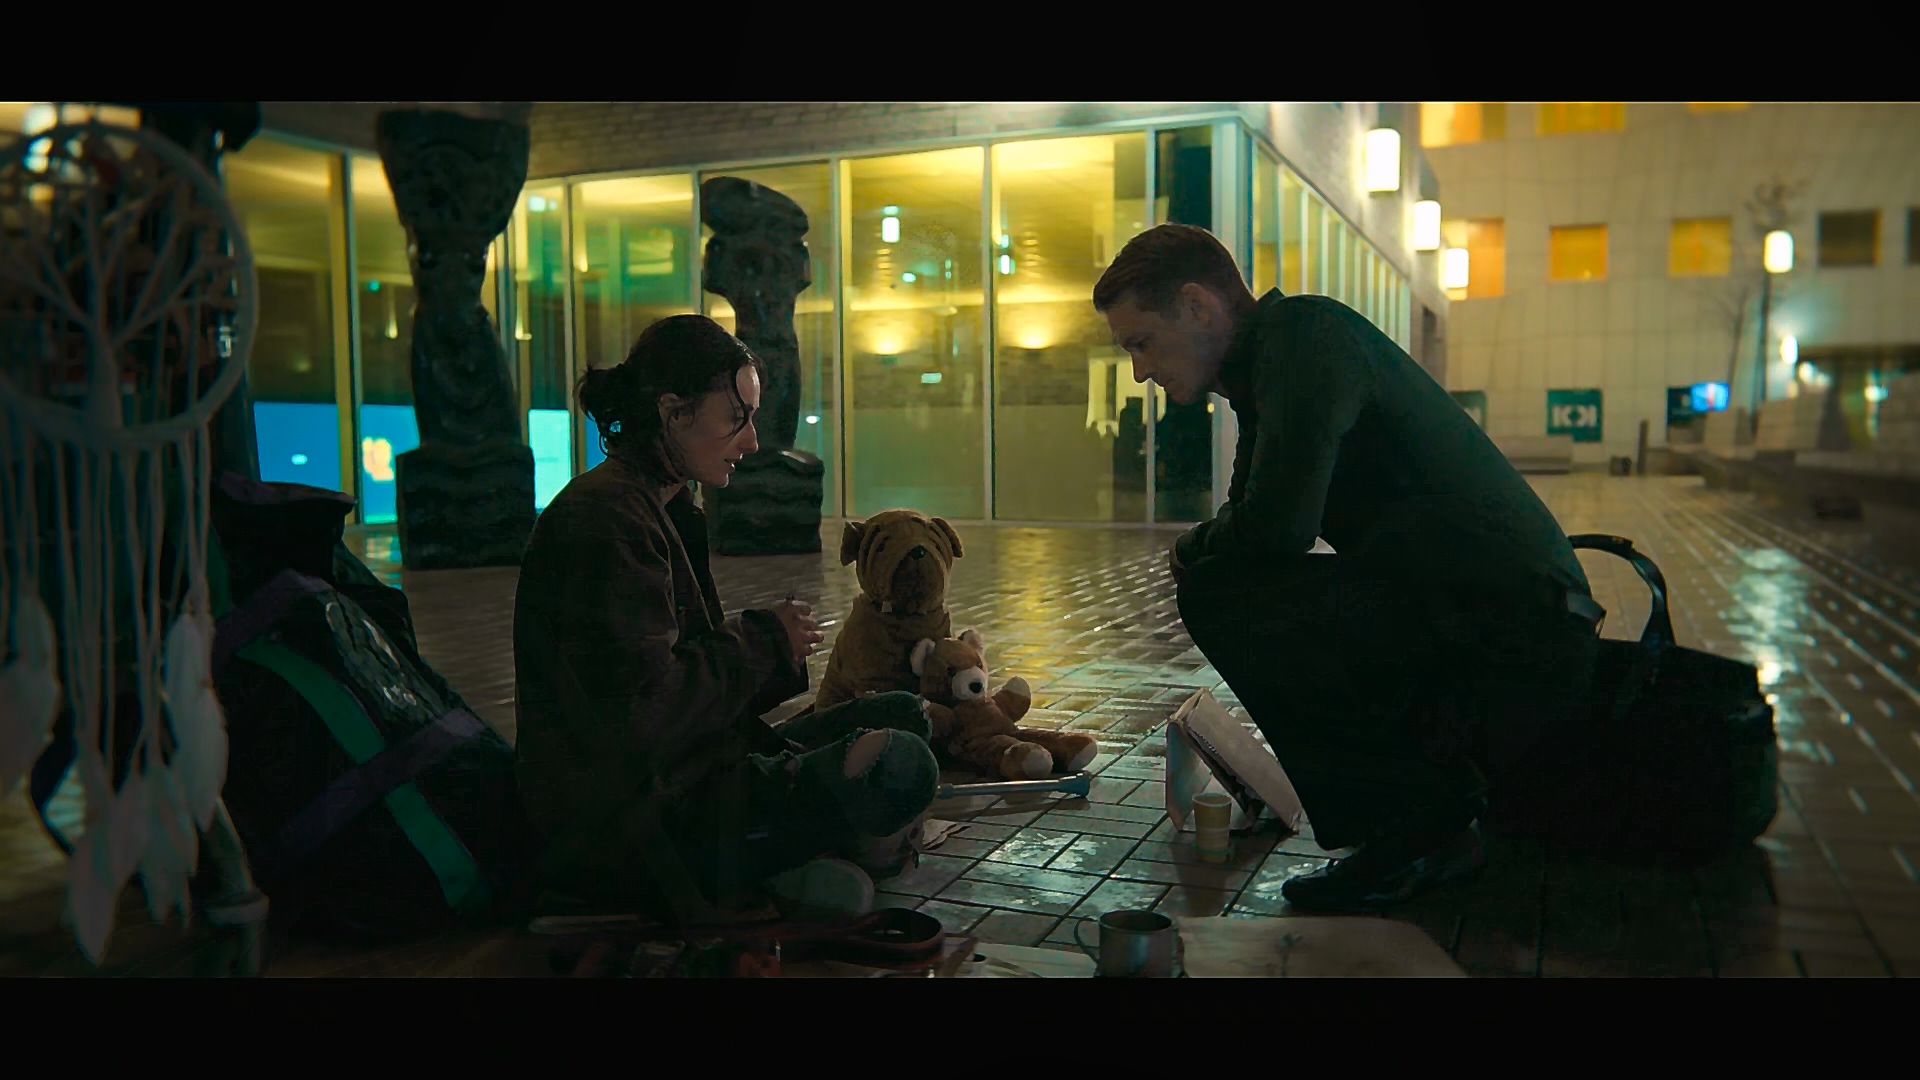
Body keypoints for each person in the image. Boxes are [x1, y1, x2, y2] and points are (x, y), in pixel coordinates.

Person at [1094, 225, 1602, 913]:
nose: (1140, 370)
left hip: (1522, 633)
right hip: (1481, 613)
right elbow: (1253, 512)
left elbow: (1277, 528)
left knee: (1223, 593)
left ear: (1196, 306)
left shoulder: (1305, 339)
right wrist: (1207, 543)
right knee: (1231, 580)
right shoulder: (1270, 362)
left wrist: (1189, 550)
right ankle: (1430, 802)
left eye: (1141, 343)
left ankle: (1415, 830)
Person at [513, 315, 941, 922]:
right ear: (673, 412)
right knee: (899, 764)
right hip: (633, 827)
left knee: (903, 714)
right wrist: (765, 642)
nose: (751, 442)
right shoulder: (605, 520)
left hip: (689, 769)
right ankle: (791, 860)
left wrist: (772, 649)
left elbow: (690, 702)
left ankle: (812, 852)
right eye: (735, 419)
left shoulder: (662, 505)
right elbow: (643, 717)